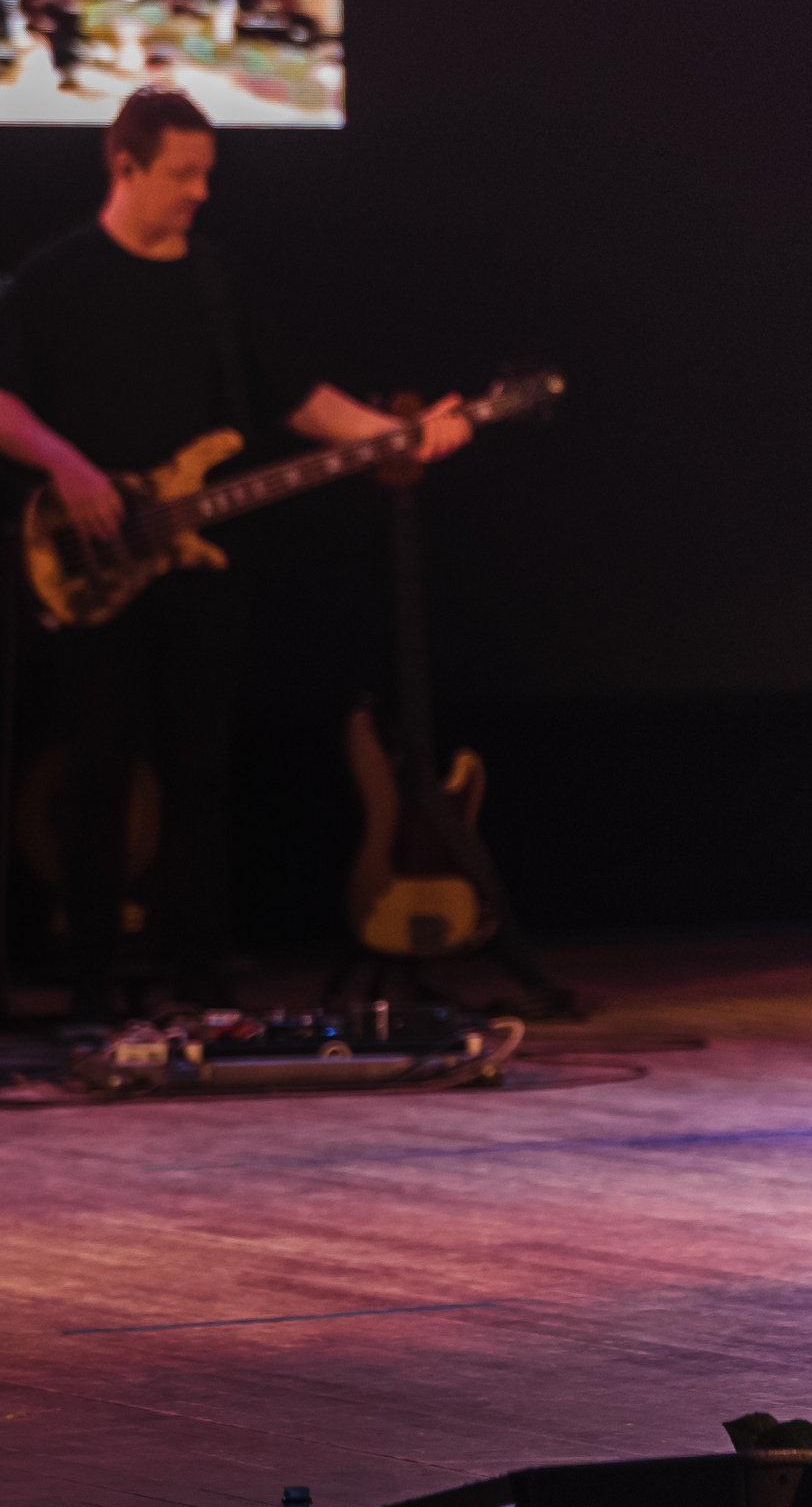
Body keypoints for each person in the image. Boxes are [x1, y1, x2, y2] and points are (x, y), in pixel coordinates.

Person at [0, 86, 472, 1025]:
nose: (199, 193)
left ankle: (201, 982)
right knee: (95, 775)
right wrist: (72, 469)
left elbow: (300, 400)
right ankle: (90, 985)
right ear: (123, 168)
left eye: (206, 174)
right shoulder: (51, 282)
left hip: (206, 570)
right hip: (90, 569)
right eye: (182, 175)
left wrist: (396, 435)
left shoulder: (218, 283)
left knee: (202, 774)